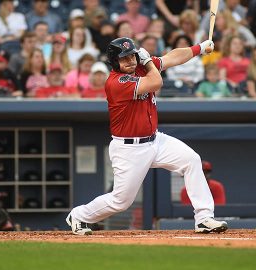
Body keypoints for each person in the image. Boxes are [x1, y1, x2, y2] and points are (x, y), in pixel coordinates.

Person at [66, 36, 228, 235]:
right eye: (124, 58)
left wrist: (200, 48)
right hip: (129, 149)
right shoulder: (116, 82)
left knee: (191, 160)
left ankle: (204, 218)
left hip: (155, 139)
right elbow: (156, 82)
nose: (131, 61)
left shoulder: (142, 66)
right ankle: (79, 215)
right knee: (121, 201)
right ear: (115, 62)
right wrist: (149, 61)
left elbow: (173, 57)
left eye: (132, 56)